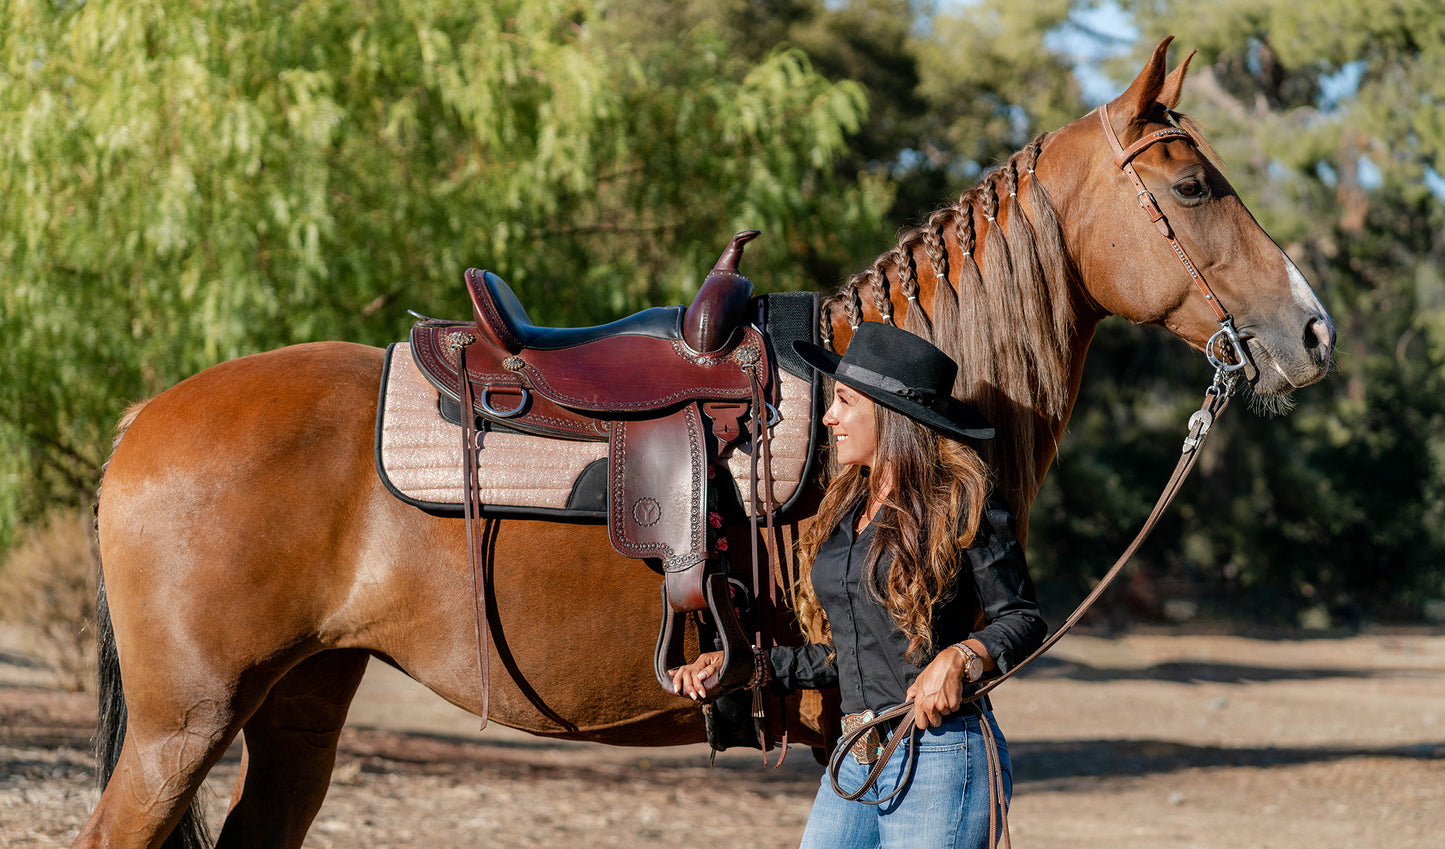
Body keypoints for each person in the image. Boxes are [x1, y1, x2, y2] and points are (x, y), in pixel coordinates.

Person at [670, 321, 1046, 849]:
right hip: (854, 756)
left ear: (888, 416)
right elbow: (845, 653)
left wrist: (962, 656)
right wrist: (746, 666)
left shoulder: (964, 502)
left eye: (844, 402)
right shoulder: (845, 510)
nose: (829, 417)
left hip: (939, 755)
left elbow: (1023, 619)